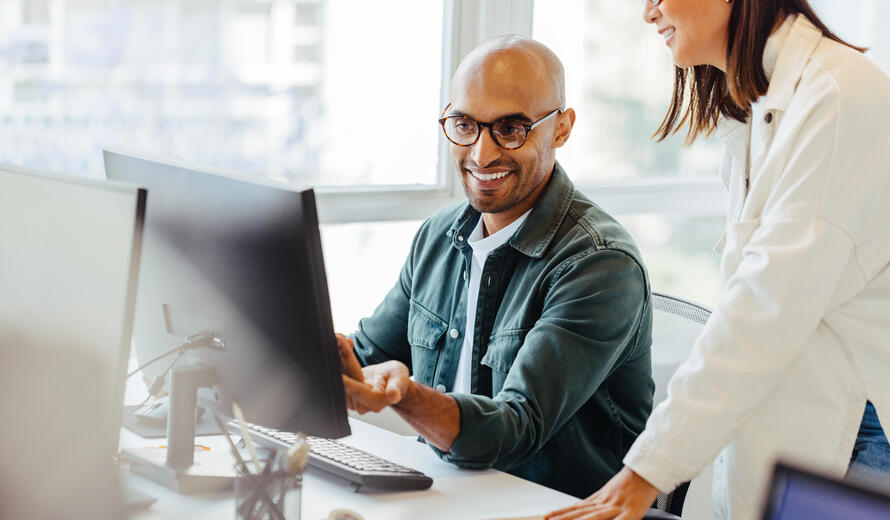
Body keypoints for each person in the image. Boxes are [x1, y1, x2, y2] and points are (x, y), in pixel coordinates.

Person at [546, 1, 890, 519]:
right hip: (801, 435)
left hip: (854, 445)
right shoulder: (762, 107)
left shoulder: (838, 98)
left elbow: (761, 312)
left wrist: (644, 475)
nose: (648, 12)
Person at [335, 35, 655, 499]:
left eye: (511, 128)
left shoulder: (599, 264)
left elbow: (515, 430)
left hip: (544, 508)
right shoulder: (439, 236)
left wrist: (405, 395)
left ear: (561, 129)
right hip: (444, 499)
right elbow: (363, 357)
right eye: (465, 124)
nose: (482, 154)